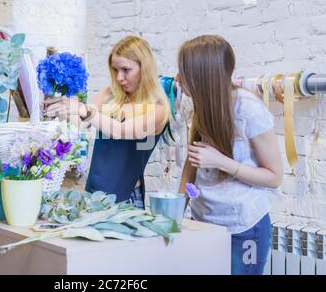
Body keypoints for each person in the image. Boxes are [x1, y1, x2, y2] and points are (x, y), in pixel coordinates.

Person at [176, 35, 282, 275]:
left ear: (204, 75)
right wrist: (175, 213)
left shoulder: (249, 109)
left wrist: (222, 162)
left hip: (243, 230)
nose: (177, 79)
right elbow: (191, 166)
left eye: (183, 72)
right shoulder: (202, 104)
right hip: (202, 224)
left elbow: (274, 177)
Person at [44, 36, 171, 208]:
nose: (119, 77)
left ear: (144, 68)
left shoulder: (158, 110)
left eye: (126, 70)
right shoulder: (108, 95)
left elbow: (121, 131)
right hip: (92, 194)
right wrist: (60, 107)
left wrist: (84, 110)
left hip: (126, 201)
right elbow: (80, 123)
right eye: (115, 70)